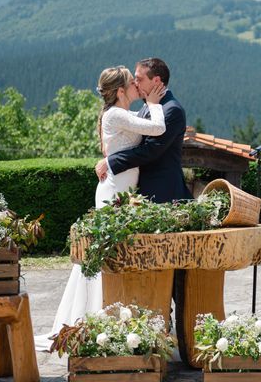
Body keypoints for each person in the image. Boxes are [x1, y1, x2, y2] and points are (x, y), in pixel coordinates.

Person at [35, 65, 166, 351]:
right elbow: (157, 128)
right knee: (105, 251)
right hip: (115, 191)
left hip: (121, 189)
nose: (136, 87)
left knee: (110, 251)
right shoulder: (117, 114)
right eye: (132, 83)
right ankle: (92, 317)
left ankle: (102, 314)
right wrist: (155, 104)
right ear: (120, 91)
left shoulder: (120, 113)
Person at [95, 57, 192, 202]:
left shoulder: (171, 110)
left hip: (162, 189)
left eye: (139, 79)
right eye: (134, 79)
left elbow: (151, 150)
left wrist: (111, 161)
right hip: (138, 188)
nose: (135, 83)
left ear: (156, 81)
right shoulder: (149, 104)